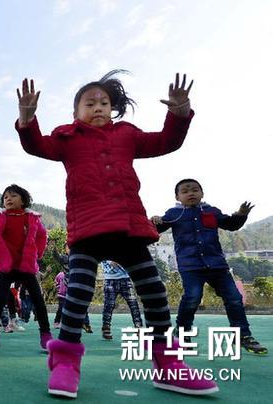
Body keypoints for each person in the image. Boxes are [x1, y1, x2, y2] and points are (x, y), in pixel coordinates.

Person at [15, 71, 219, 397]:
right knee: (78, 294)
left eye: (104, 102)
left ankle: (168, 365)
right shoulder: (67, 137)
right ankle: (65, 361)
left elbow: (166, 142)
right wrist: (27, 119)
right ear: (75, 112)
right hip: (87, 231)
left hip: (130, 229)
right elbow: (36, 146)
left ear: (113, 108)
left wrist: (178, 114)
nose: (98, 107)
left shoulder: (126, 134)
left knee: (154, 293)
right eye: (89, 102)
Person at [151, 178, 267, 354]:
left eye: (195, 190)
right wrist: (155, 221)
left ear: (202, 193)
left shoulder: (212, 211)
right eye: (185, 191)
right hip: (190, 266)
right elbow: (156, 229)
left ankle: (243, 335)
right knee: (192, 298)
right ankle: (182, 332)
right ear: (177, 196)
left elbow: (231, 224)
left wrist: (241, 214)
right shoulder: (174, 213)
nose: (191, 193)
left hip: (217, 265)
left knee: (234, 298)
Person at [0, 184, 51, 352]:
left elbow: (42, 235)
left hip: (27, 266)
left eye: (13, 196)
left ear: (23, 200)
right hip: (7, 266)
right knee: (0, 298)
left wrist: (37, 253)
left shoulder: (32, 218)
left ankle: (45, 334)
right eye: (5, 197)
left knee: (38, 300)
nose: (8, 199)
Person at [100, 260, 143, 340]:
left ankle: (138, 327)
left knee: (133, 304)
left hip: (125, 278)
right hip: (110, 279)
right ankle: (106, 328)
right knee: (109, 305)